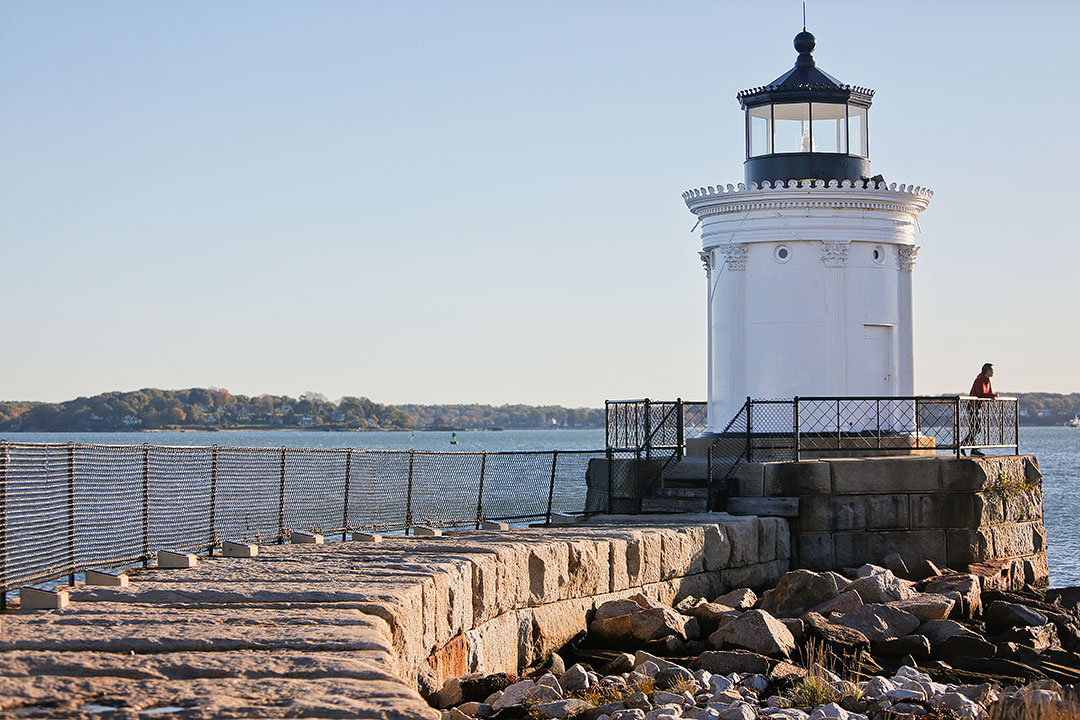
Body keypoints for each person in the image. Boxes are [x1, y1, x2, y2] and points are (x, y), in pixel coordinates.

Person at [961, 363, 997, 456]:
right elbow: (980, 394)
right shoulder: (979, 380)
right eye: (991, 370)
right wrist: (991, 395)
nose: (993, 372)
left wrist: (992, 396)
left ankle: (965, 446)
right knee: (976, 428)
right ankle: (970, 448)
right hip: (973, 406)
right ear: (987, 371)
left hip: (978, 407)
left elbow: (989, 392)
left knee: (976, 429)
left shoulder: (987, 381)